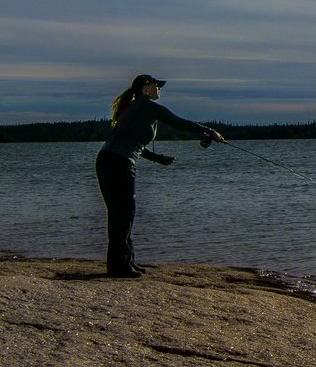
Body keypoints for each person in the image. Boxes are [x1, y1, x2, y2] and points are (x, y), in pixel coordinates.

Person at [95, 74, 224, 278]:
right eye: (156, 86)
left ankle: (125, 261)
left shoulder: (135, 107)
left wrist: (157, 158)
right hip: (117, 163)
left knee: (122, 213)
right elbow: (176, 122)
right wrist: (209, 131)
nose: (159, 89)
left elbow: (135, 144)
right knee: (124, 213)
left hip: (111, 161)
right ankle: (118, 267)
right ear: (146, 88)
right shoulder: (145, 106)